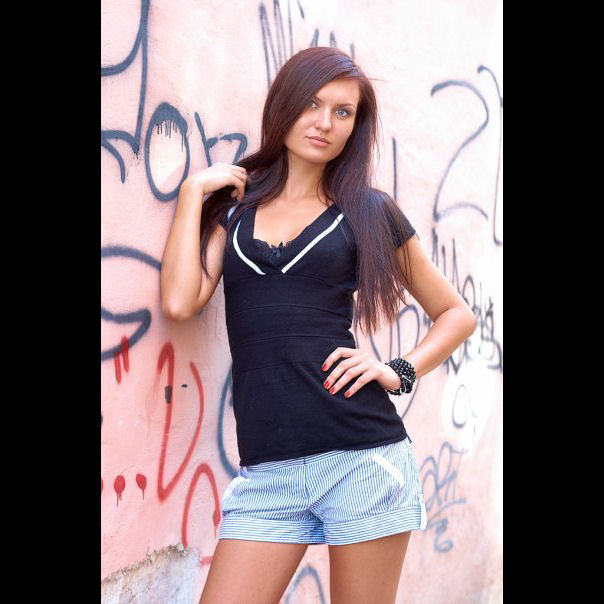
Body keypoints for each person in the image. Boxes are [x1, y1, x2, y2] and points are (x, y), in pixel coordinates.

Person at [161, 47, 477, 604]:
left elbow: (457, 314)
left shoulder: (368, 212)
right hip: (269, 474)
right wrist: (191, 195)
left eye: (342, 111)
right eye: (311, 103)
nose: (324, 122)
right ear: (284, 105)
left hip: (364, 461)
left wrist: (397, 370)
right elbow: (181, 301)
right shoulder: (234, 211)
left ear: (355, 126)